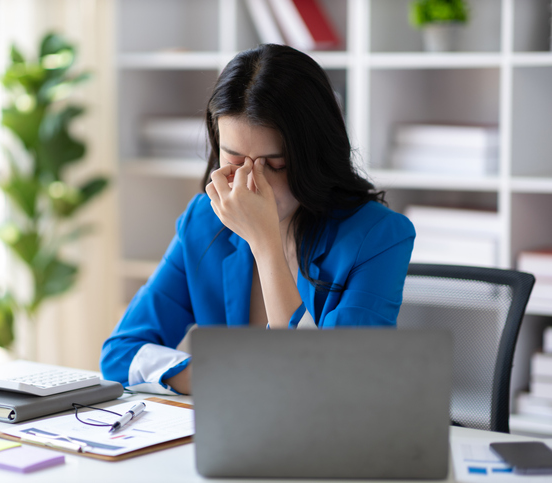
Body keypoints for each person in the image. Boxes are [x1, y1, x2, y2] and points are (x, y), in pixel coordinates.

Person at [100, 44, 415, 395]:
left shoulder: (378, 236)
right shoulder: (203, 223)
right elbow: (120, 353)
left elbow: (332, 387)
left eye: (275, 165)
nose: (252, 184)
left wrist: (265, 244)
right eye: (233, 161)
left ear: (315, 157)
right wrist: (231, 379)